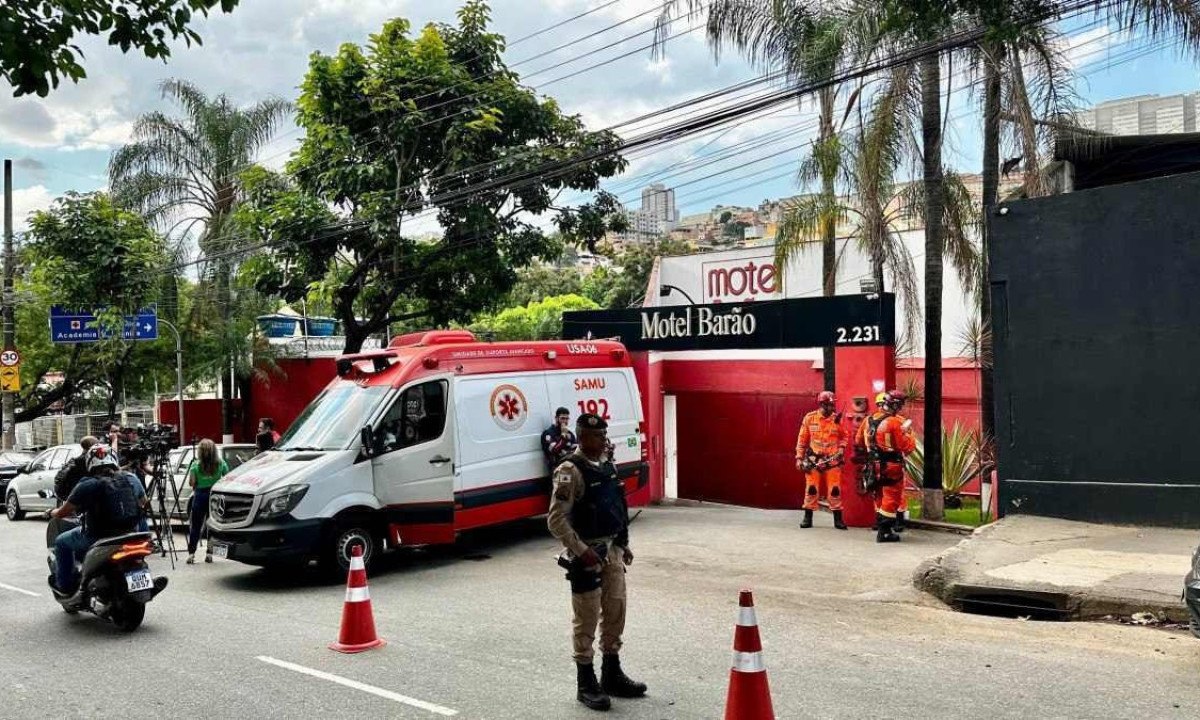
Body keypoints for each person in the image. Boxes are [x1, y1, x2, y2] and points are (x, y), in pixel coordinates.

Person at [547, 414, 646, 712]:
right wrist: (580, 550)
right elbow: (555, 519)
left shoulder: (606, 464)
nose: (604, 440)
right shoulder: (570, 470)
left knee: (616, 610)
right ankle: (586, 682)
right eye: (598, 436)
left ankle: (611, 674)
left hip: (612, 549)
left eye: (604, 435)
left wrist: (623, 542)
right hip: (587, 554)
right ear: (583, 437)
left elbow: (619, 503)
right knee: (587, 617)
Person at [49, 445, 146, 596]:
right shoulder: (130, 478)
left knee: (61, 542)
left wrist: (51, 512)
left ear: (90, 462)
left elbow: (63, 512)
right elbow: (143, 501)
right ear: (114, 459)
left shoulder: (87, 484)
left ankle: (65, 586)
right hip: (131, 533)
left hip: (98, 536)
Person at [857, 391, 917, 543]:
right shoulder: (895, 423)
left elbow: (858, 441)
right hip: (891, 466)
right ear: (896, 405)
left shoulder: (869, 420)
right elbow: (907, 447)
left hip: (872, 465)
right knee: (891, 497)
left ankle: (881, 526)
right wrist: (909, 434)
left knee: (878, 495)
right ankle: (884, 532)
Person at [795, 391, 848, 530]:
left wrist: (842, 448)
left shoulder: (837, 419)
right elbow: (802, 440)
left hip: (832, 461)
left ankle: (838, 520)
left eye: (832, 404)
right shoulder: (810, 418)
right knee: (811, 490)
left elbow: (844, 436)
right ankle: (808, 518)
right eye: (830, 404)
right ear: (822, 404)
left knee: (834, 491)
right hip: (814, 461)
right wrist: (799, 458)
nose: (832, 407)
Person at [186, 439, 228, 564]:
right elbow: (227, 478)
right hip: (215, 495)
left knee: (196, 525)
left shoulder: (195, 465)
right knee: (212, 525)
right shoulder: (221, 463)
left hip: (199, 496)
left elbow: (192, 483)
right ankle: (209, 553)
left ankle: (191, 554)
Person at [53, 436, 98, 502]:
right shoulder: (84, 461)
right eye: (97, 444)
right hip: (73, 494)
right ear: (92, 447)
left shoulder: (77, 460)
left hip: (67, 492)